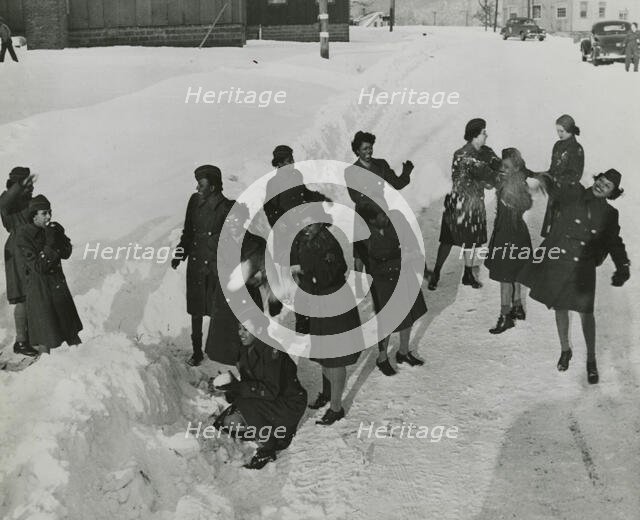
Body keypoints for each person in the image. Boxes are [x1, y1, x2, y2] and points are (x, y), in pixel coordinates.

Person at [519, 169, 630, 384]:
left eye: (607, 186)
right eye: (601, 180)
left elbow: (614, 242)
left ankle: (591, 360)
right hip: (560, 261)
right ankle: (565, 350)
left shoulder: (609, 214)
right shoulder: (574, 193)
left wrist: (622, 266)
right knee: (559, 307)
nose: (601, 186)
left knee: (586, 313)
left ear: (611, 193)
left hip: (583, 268)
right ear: (596, 179)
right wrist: (534, 176)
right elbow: (554, 183)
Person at [290, 205, 362, 425]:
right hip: (319, 302)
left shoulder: (328, 245)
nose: (306, 228)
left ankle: (336, 407)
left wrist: (305, 276)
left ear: (321, 222)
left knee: (335, 357)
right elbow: (296, 258)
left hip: (333, 301)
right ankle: (327, 391)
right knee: (324, 354)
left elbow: (329, 276)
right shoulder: (305, 237)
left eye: (311, 224)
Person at [213, 312, 307, 470]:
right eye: (239, 329)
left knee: (245, 405)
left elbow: (270, 390)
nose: (240, 333)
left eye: (245, 329)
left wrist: (238, 389)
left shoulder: (271, 351)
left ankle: (269, 447)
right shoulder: (245, 349)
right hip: (270, 400)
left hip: (288, 403)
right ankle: (272, 430)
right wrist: (231, 388)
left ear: (258, 330)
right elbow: (250, 383)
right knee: (227, 423)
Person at [429, 118, 501, 290]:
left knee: (472, 240)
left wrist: (494, 175)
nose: (486, 135)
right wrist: (487, 181)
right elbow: (468, 180)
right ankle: (437, 272)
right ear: (475, 136)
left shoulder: (486, 152)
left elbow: (497, 167)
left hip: (475, 203)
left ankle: (468, 274)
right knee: (447, 240)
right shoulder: (462, 155)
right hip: (459, 204)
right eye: (484, 132)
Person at [171, 165, 230, 367]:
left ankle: (217, 352)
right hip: (196, 264)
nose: (197, 188)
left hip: (215, 267)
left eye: (201, 184)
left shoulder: (227, 207)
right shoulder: (194, 202)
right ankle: (197, 351)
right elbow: (188, 232)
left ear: (213, 187)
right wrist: (180, 254)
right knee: (196, 310)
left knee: (216, 311)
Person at [359, 204, 427, 375]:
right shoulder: (363, 234)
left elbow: (412, 242)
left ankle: (403, 352)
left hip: (404, 274)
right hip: (383, 281)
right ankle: (382, 358)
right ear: (371, 220)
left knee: (409, 312)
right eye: (381, 216)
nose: (386, 218)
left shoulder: (396, 219)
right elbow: (370, 265)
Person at [263, 145, 329, 313]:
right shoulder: (273, 183)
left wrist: (320, 197)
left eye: (292, 160)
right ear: (278, 164)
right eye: (286, 162)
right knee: (286, 259)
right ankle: (285, 294)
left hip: (298, 223)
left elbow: (305, 193)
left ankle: (303, 292)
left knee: (300, 257)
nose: (291, 164)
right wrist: (278, 223)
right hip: (284, 227)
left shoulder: (297, 176)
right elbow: (269, 207)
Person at [16, 195, 82, 353]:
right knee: (46, 335)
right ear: (34, 215)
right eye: (44, 213)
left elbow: (66, 253)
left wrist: (60, 237)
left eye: (49, 212)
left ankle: (82, 358)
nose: (49, 216)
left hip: (58, 286)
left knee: (70, 331)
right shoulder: (24, 235)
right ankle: (47, 368)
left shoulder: (50, 229)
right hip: (40, 291)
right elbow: (39, 266)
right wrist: (51, 242)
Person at [205, 202, 266, 365]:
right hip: (226, 296)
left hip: (249, 296)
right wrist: (243, 275)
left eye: (236, 220)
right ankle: (227, 373)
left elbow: (266, 268)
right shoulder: (215, 242)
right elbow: (215, 267)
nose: (232, 225)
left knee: (250, 339)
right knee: (225, 342)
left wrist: (260, 277)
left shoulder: (258, 243)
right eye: (228, 221)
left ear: (244, 219)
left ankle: (250, 368)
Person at [344, 131, 414, 273]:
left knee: (387, 245)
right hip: (364, 214)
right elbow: (355, 196)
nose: (369, 151)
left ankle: (386, 274)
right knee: (360, 251)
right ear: (357, 151)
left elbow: (397, 184)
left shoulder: (381, 164)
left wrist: (406, 173)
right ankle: (359, 282)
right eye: (364, 149)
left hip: (382, 212)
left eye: (370, 147)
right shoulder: (351, 171)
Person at [485, 149, 533, 334]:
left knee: (505, 278)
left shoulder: (513, 185)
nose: (502, 169)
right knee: (514, 273)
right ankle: (518, 307)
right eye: (502, 166)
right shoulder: (513, 180)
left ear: (515, 169)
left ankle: (505, 317)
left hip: (508, 235)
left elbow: (525, 203)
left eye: (507, 167)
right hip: (515, 233)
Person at [0, 167, 39, 356]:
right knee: (23, 297)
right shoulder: (9, 202)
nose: (31, 187)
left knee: (32, 294)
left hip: (29, 249)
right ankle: (21, 342)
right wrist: (19, 186)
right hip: (18, 252)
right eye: (27, 184)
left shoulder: (26, 201)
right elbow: (5, 201)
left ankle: (29, 338)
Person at [540, 114, 584, 238]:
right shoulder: (557, 145)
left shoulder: (577, 149)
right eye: (557, 131)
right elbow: (553, 168)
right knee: (551, 228)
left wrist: (557, 179)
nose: (559, 134)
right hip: (555, 191)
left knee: (562, 229)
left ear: (570, 130)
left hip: (568, 194)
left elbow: (576, 175)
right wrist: (544, 176)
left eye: (562, 131)